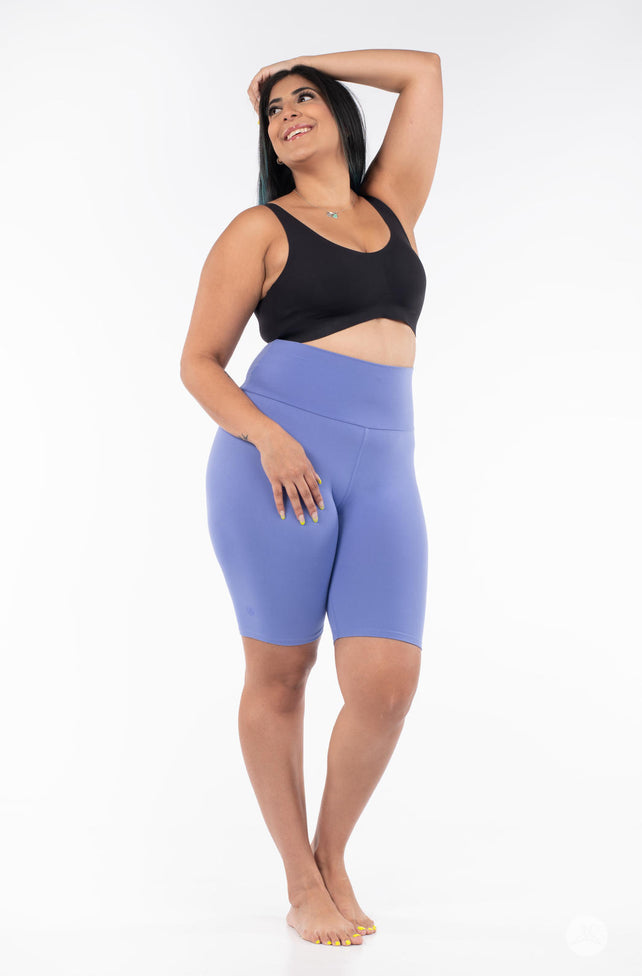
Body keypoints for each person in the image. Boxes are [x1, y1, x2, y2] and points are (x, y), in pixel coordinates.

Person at [180, 49, 443, 948]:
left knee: (387, 686)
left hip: (387, 471)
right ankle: (300, 880)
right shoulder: (258, 229)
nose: (287, 112)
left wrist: (294, 64)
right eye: (273, 109)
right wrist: (267, 436)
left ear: (337, 111)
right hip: (278, 466)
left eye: (306, 100)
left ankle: (331, 856)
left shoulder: (392, 205)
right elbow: (198, 364)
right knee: (281, 675)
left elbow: (423, 72)